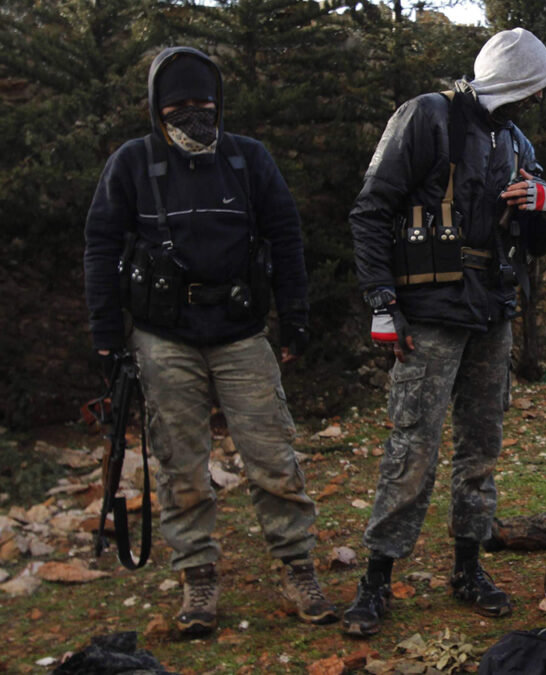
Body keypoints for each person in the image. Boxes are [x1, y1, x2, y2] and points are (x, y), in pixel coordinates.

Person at [83, 47, 332, 636]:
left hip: (242, 332)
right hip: (162, 338)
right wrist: (103, 332)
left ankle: (298, 566)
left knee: (274, 458)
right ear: (156, 109)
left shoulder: (249, 159)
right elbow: (100, 245)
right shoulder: (132, 163)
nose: (195, 118)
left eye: (205, 106)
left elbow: (286, 235)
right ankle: (198, 578)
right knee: (180, 466)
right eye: (180, 108)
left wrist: (294, 317)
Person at [344, 27, 546, 635]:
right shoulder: (426, 118)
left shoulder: (516, 140)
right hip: (429, 316)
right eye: (533, 89)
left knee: (481, 449)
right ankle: (377, 579)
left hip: (491, 313)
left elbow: (543, 239)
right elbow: (371, 209)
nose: (536, 102)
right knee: (412, 448)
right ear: (515, 83)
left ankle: (467, 568)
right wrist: (382, 301)